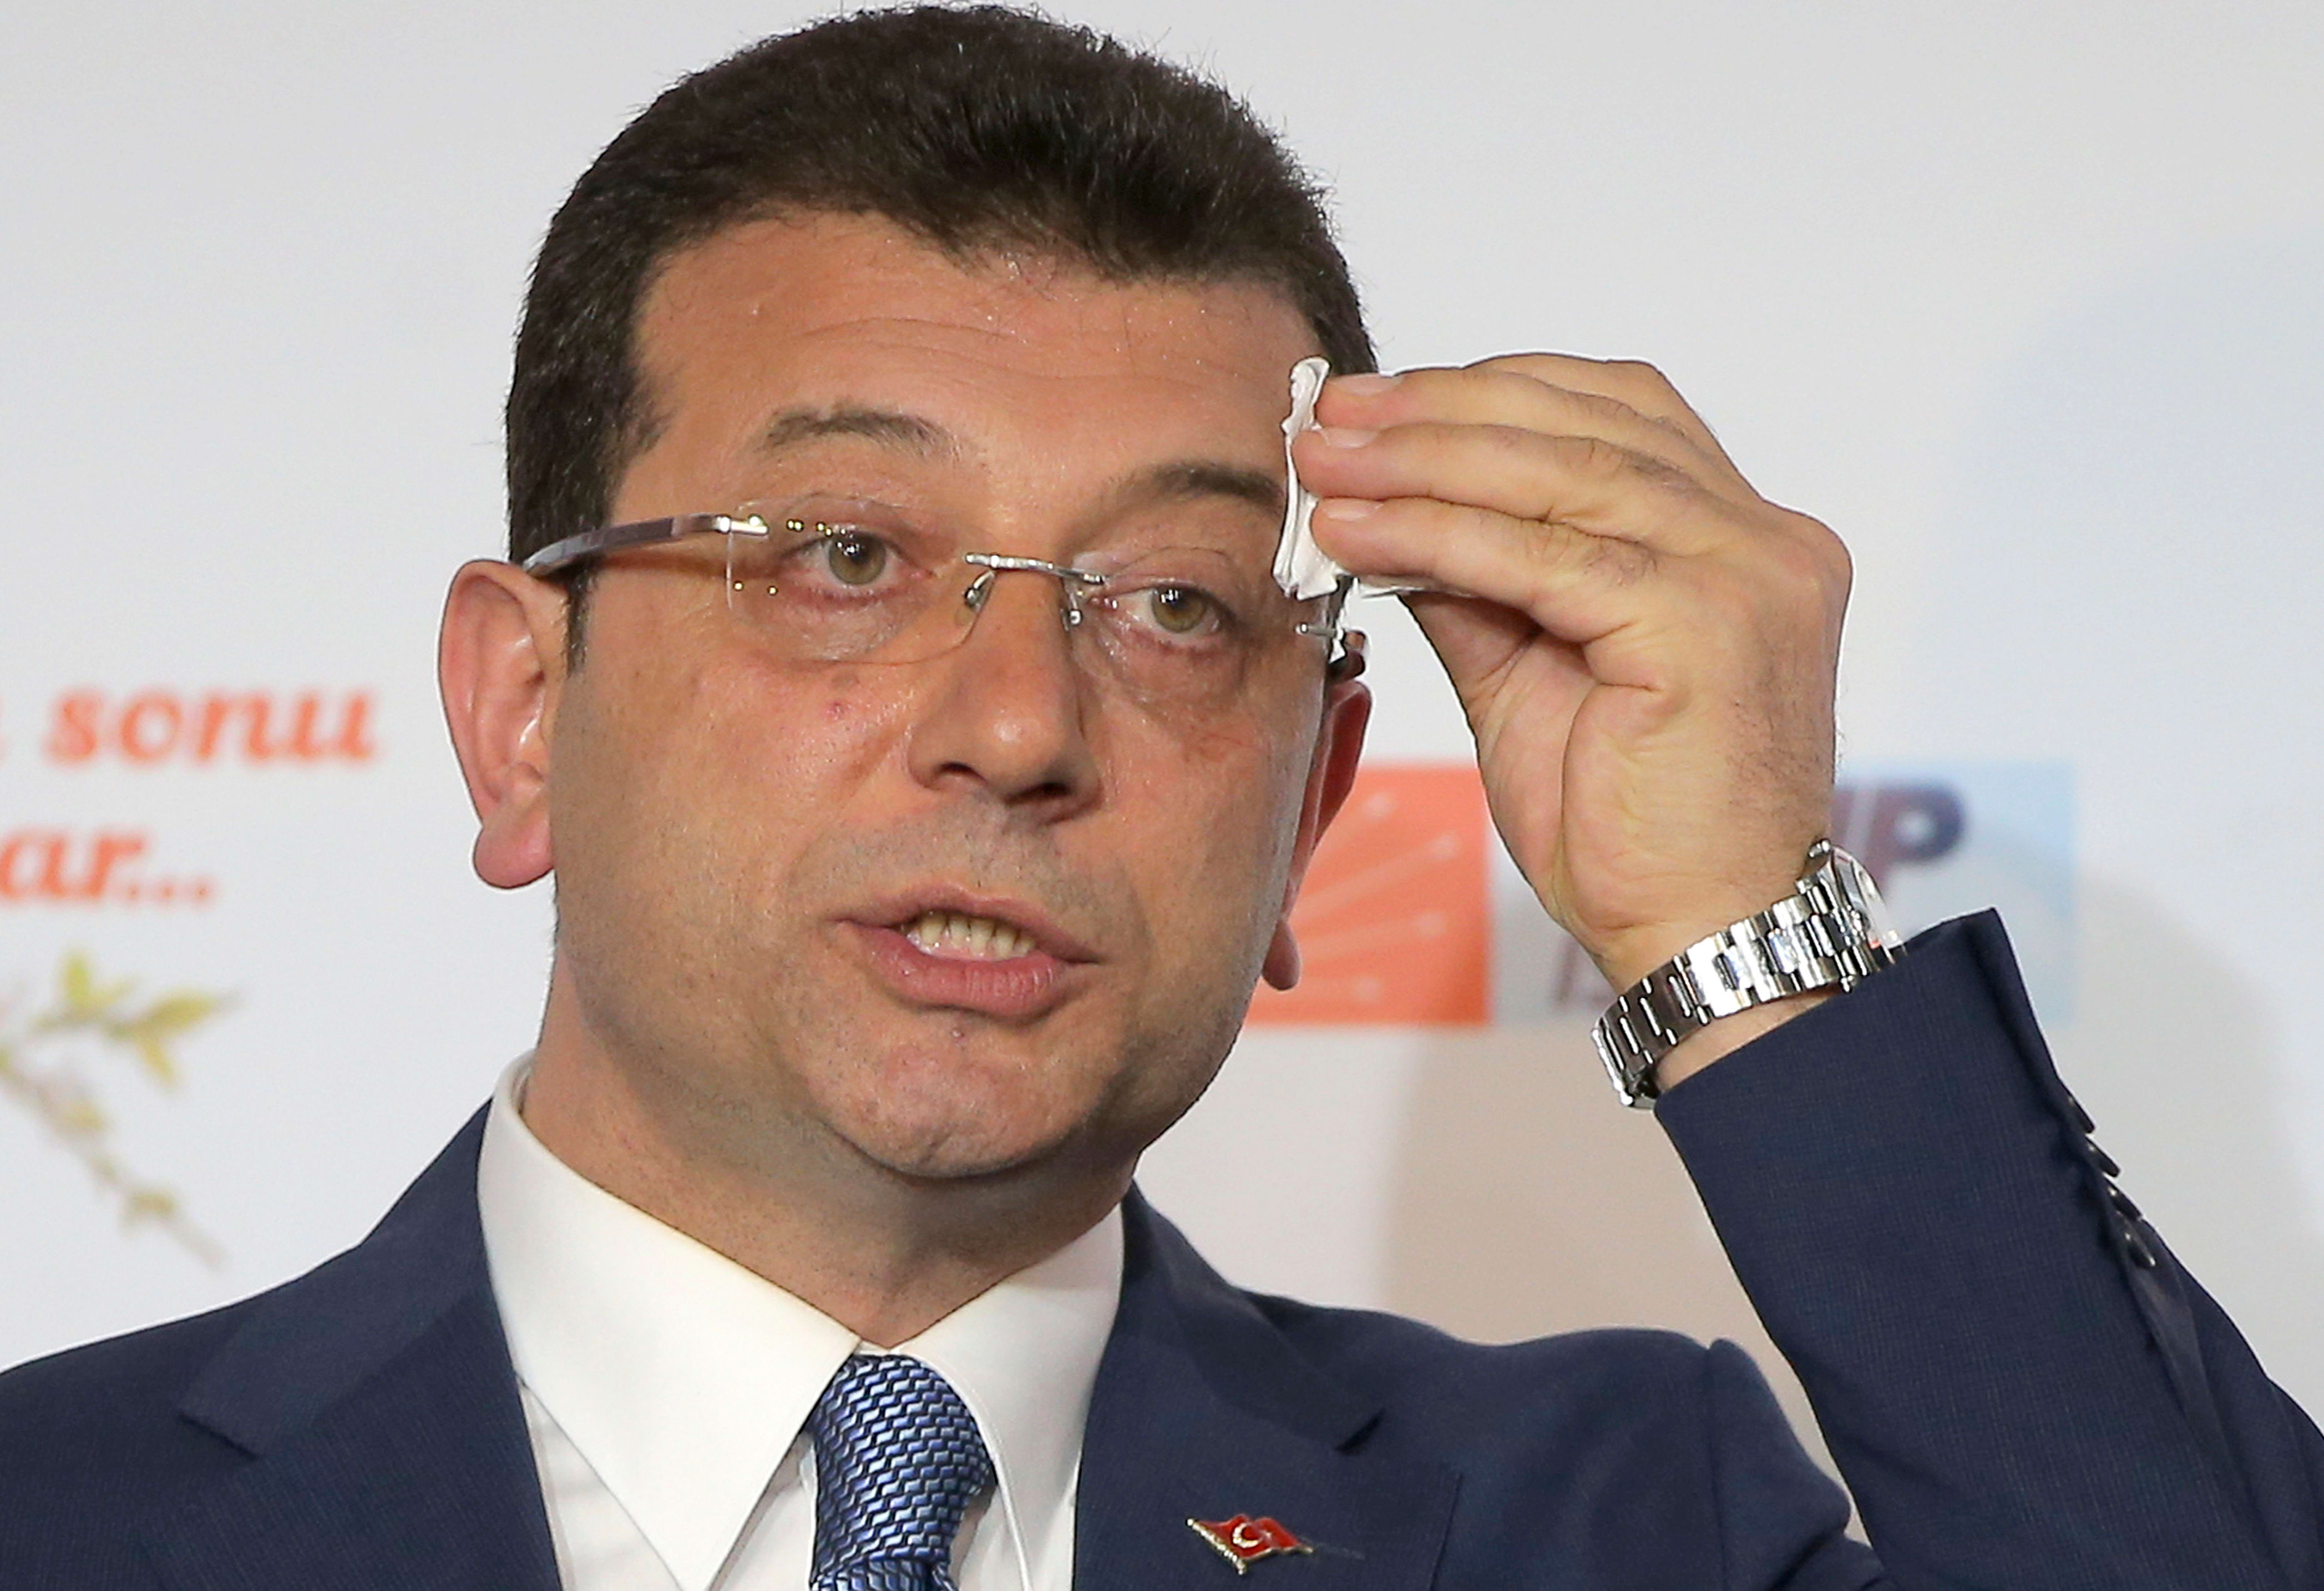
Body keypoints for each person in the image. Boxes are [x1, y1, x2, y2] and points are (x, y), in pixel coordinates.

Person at [3, 8, 2318, 1588]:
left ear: (1314, 806)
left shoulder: (1615, 1521)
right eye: (845, 558)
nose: (1019, 724)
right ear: (523, 707)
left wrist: (1738, 928)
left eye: (1182, 604)